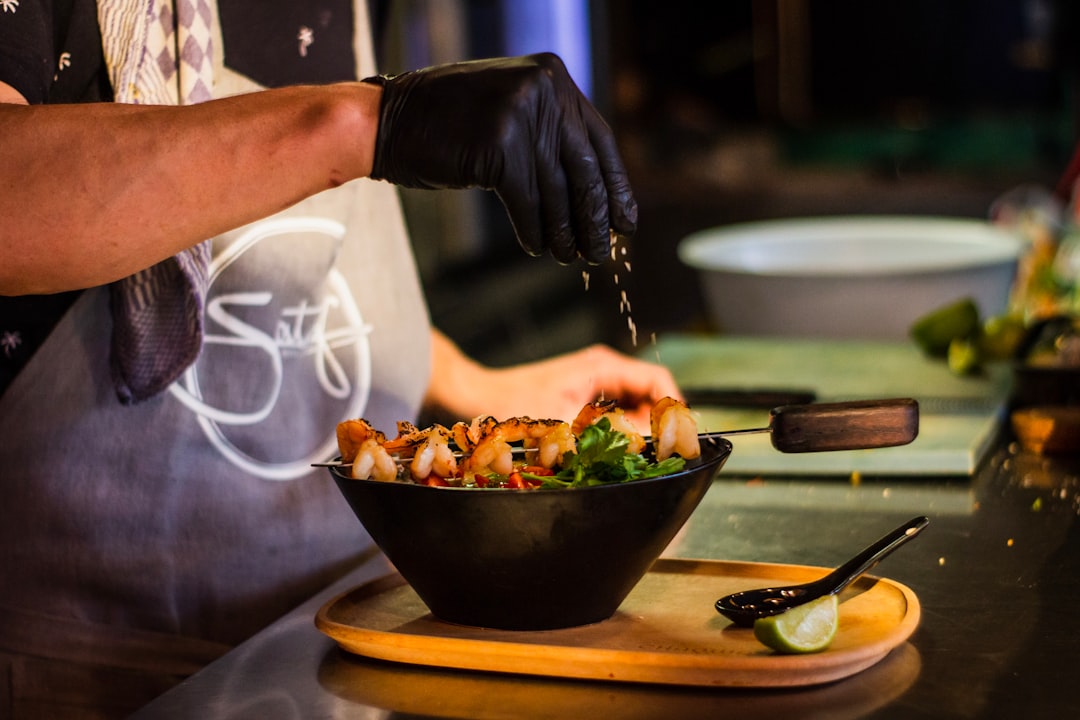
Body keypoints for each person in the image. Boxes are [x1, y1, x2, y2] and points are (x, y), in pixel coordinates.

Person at [0, 1, 681, 717]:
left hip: (364, 633)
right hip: (111, 670)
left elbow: (296, 264)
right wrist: (365, 122)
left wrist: (467, 383)